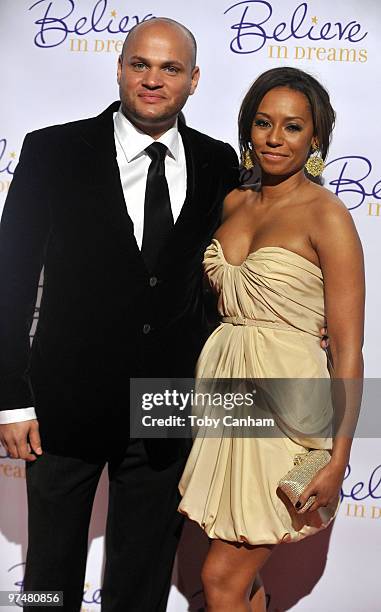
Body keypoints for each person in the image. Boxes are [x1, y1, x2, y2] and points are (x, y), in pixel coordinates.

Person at [0, 18, 240, 612]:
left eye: (170, 68)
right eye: (141, 64)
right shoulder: (52, 149)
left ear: (194, 80)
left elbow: (215, 285)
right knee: (50, 578)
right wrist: (11, 398)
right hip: (63, 398)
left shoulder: (217, 161)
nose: (153, 79)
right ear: (119, 68)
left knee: (143, 576)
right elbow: (12, 276)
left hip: (169, 401)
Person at [178, 67, 365, 611]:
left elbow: (349, 349)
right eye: (263, 124)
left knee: (220, 580)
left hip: (287, 412)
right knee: (236, 579)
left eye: (292, 127)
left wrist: (338, 458)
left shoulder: (327, 216)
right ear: (248, 129)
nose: (275, 139)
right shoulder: (233, 203)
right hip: (224, 402)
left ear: (315, 138)